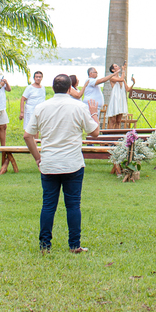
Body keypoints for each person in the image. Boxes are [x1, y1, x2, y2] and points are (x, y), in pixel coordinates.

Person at [24, 74, 99, 253]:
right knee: (73, 205)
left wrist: (37, 157)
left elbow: (28, 135)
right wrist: (94, 112)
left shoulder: (41, 107)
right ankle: (74, 245)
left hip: (49, 162)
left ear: (52, 88)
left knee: (48, 205)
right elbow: (95, 132)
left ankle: (45, 245)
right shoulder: (79, 107)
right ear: (69, 88)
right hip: (72, 162)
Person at [103, 64, 130, 129]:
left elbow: (127, 88)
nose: (118, 66)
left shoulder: (121, 77)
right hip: (115, 99)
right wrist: (123, 70)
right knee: (112, 120)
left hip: (121, 99)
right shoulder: (111, 77)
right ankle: (109, 135)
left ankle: (116, 135)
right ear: (113, 70)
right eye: (115, 66)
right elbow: (120, 80)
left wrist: (133, 83)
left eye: (117, 65)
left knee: (118, 120)